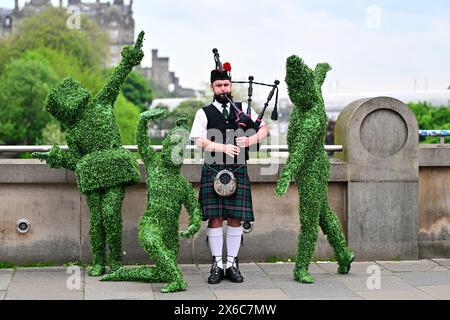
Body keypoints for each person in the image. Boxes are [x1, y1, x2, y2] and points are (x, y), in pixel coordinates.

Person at [189, 64, 269, 284]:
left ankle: (231, 264)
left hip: (238, 169)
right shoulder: (203, 113)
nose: (223, 89)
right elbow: (198, 140)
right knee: (214, 219)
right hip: (213, 169)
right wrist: (222, 147)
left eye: (226, 84)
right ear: (212, 87)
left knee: (235, 218)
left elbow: (265, 129)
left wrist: (251, 140)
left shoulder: (243, 109)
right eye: (218, 85)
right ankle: (217, 264)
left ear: (231, 85)